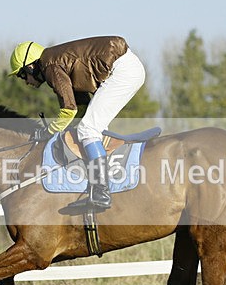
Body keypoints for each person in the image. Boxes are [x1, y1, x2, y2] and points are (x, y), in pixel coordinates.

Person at [8, 36, 146, 211]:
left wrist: (47, 132)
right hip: (125, 67)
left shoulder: (51, 67)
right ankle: (99, 185)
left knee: (88, 130)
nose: (26, 82)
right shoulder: (57, 63)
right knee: (89, 128)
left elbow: (69, 110)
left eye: (22, 75)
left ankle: (101, 192)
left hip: (123, 70)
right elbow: (80, 108)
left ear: (31, 66)